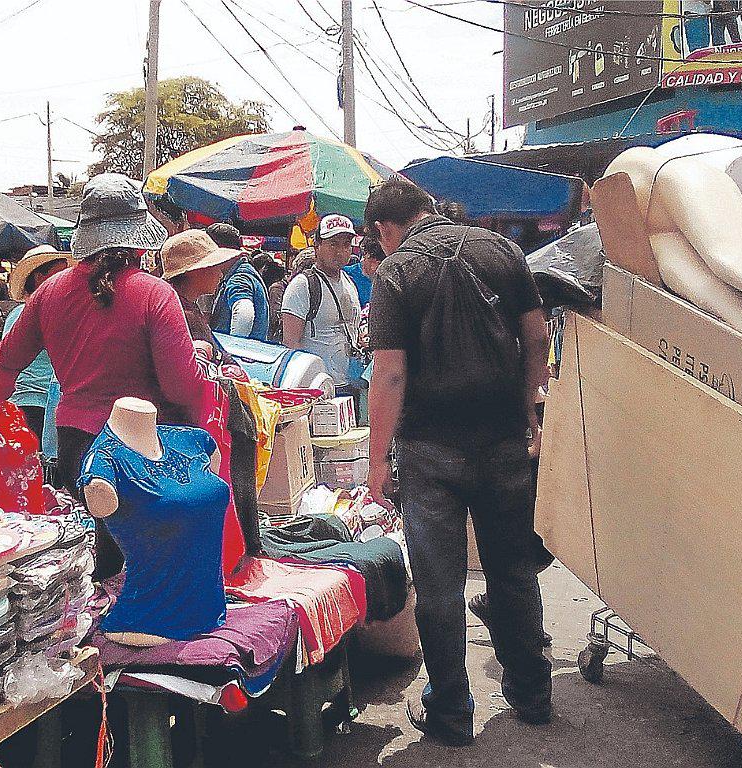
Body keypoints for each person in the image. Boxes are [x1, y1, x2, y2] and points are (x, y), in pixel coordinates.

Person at [364, 176, 554, 744]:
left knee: (439, 584)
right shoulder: (502, 251)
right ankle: (533, 693)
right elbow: (537, 337)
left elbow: (389, 373)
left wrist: (377, 463)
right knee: (512, 570)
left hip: (430, 449)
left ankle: (450, 710)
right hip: (503, 440)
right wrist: (531, 409)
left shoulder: (396, 273)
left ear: (385, 227)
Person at [0, 173, 209, 578]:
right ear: (138, 238)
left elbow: (5, 360)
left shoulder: (49, 292)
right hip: (143, 450)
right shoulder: (155, 294)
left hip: (75, 446)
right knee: (144, 567)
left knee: (100, 562)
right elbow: (181, 386)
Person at [280, 214, 364, 396]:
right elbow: (291, 343)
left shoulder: (349, 282)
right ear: (317, 246)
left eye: (346, 244)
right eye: (333, 244)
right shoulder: (302, 285)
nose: (340, 251)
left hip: (349, 384)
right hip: (318, 389)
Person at [1, 245, 69, 438]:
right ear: (39, 278)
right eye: (60, 273)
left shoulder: (17, 313)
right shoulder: (45, 314)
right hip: (39, 405)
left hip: (23, 403)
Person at [163, 229, 240, 356]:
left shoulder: (185, 306)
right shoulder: (184, 315)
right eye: (215, 266)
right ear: (197, 271)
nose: (220, 274)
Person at [203, 223, 270, 341]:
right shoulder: (245, 272)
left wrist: (233, 345)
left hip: (238, 350)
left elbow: (244, 313)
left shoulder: (239, 278)